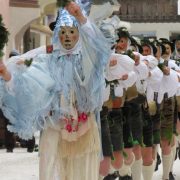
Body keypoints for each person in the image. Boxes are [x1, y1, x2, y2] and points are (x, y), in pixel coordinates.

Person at [0, 2, 111, 180]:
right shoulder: (47, 61)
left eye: (72, 32)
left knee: (82, 173)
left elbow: (99, 47)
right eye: (63, 32)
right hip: (54, 126)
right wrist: (8, 77)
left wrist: (81, 18)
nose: (67, 36)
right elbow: (29, 85)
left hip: (84, 127)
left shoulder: (88, 59)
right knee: (53, 171)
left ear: (79, 34)